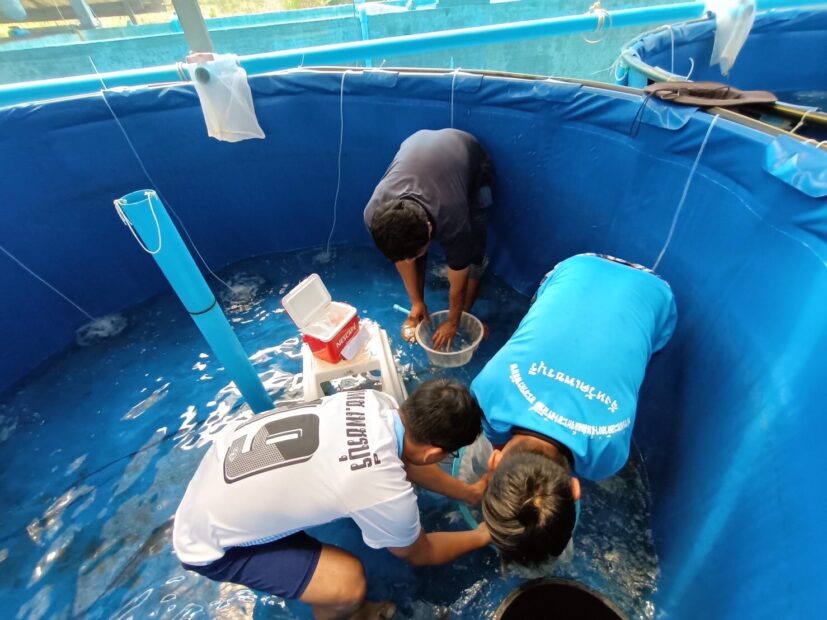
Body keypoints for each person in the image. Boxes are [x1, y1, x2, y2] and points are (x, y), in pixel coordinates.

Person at [173, 380, 491, 619]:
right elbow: (419, 552)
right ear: (434, 453)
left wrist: (470, 492)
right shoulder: (381, 488)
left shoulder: (373, 401)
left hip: (214, 477)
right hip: (211, 545)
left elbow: (406, 460)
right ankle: (351, 614)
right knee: (347, 585)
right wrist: (483, 535)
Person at [470, 253, 677, 566]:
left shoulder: (609, 452)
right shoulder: (489, 393)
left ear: (577, 489)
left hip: (652, 293)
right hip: (581, 270)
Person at [364, 128, 494, 350]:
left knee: (473, 249)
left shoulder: (453, 217)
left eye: (413, 255)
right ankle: (419, 304)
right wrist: (416, 302)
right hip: (417, 143)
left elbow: (459, 275)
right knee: (409, 252)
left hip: (469, 156)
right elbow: (403, 257)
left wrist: (454, 320)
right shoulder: (374, 216)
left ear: (429, 227)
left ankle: (467, 312)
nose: (408, 261)